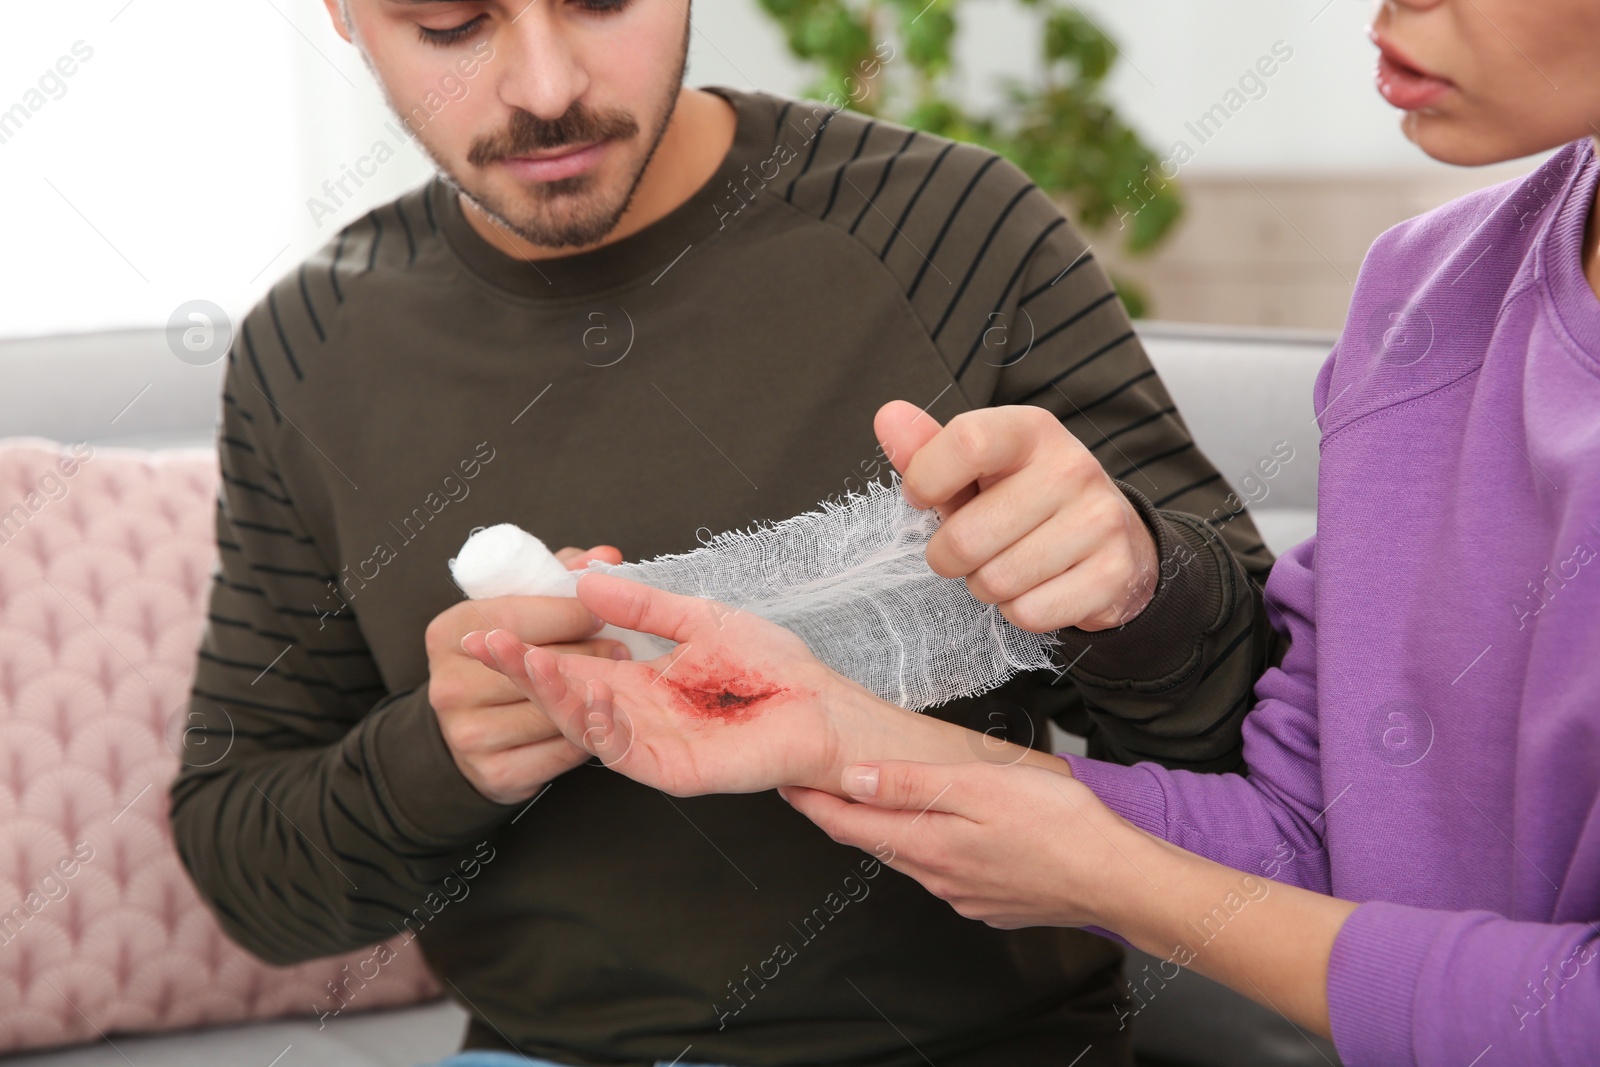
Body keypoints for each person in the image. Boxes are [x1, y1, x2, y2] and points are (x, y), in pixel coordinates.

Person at [467, 1, 1600, 1064]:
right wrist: (847, 730)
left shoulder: (961, 224)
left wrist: (1111, 872)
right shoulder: (1425, 296)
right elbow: (1319, 834)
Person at [167, 1, 1285, 1065]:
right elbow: (251, 879)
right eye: (451, 24)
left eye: (603, 3)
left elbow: (1273, 769)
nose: (548, 87)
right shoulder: (309, 349)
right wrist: (442, 753)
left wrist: (1141, 589)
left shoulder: (953, 234)